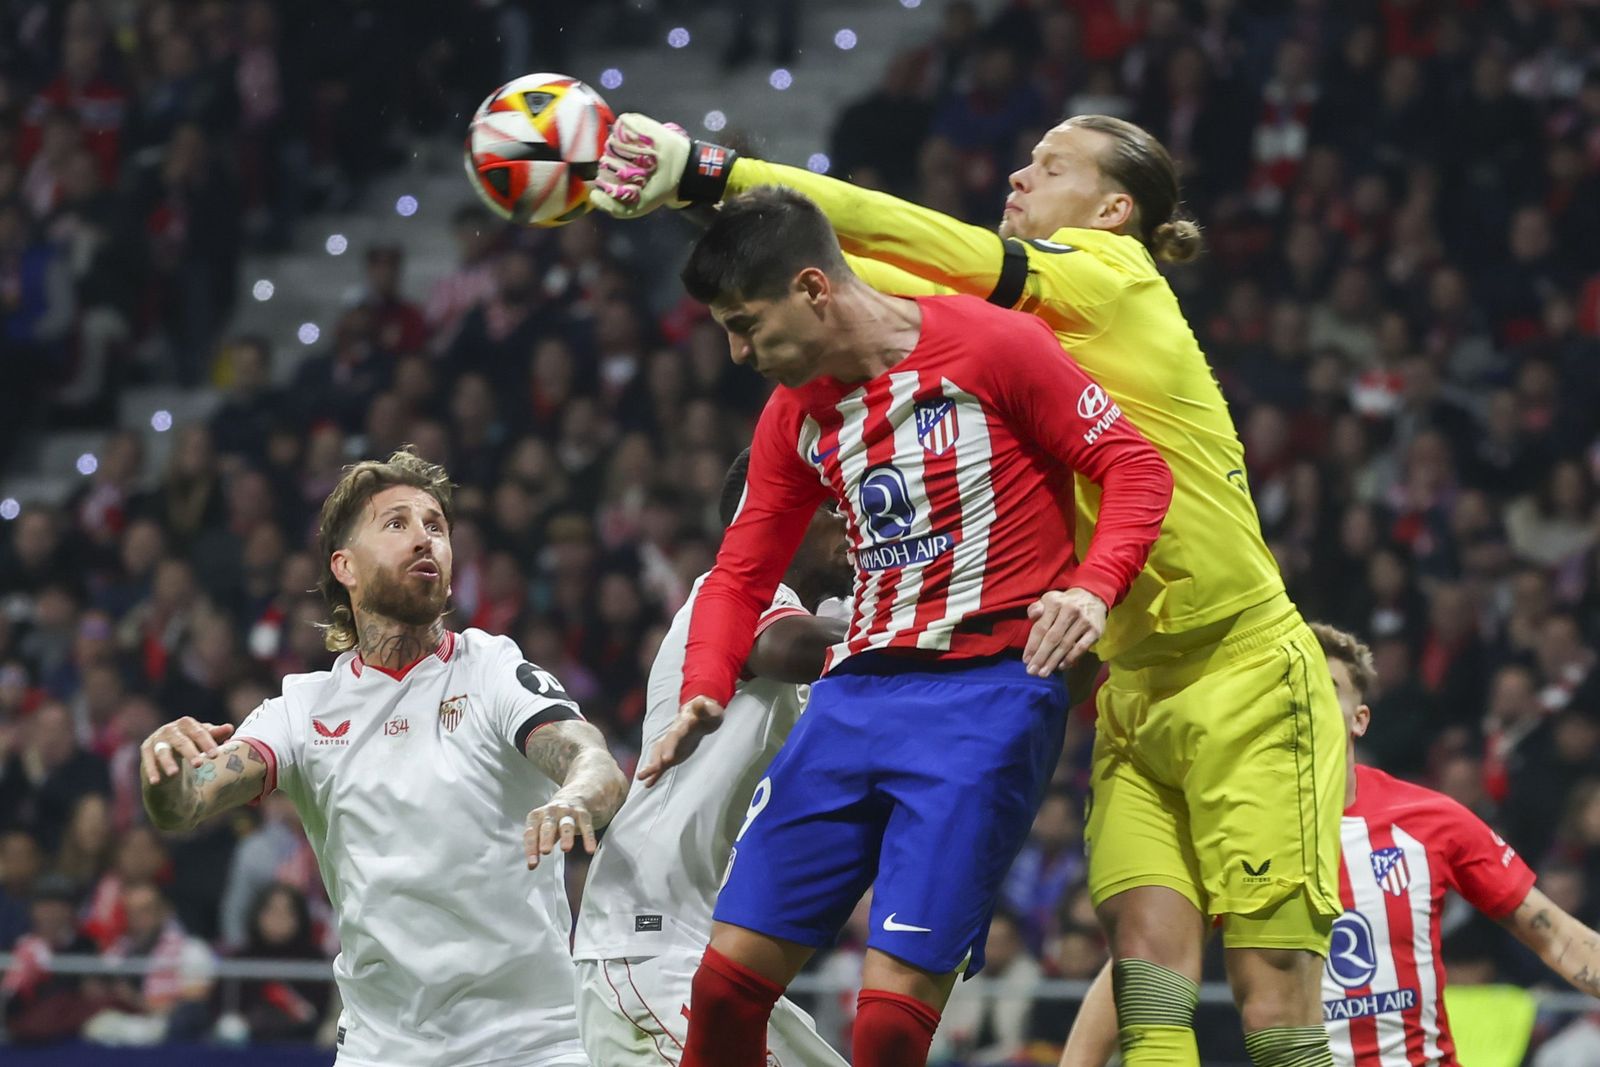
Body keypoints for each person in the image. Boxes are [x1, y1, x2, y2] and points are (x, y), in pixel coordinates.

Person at [592, 111, 1346, 1067]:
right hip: (1128, 683)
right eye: (1025, 160)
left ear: (1115, 209)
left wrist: (708, 170)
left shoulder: (1107, 278)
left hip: (1237, 665)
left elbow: (910, 239)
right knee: (1151, 995)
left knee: (1275, 1002)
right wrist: (707, 216)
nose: (1020, 178)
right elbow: (817, 277)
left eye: (1052, 166)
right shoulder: (991, 328)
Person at [636, 187, 1173, 1067]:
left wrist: (1092, 588)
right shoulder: (796, 413)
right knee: (723, 990)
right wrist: (701, 689)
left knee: (886, 1024)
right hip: (852, 697)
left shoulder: (992, 344)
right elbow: (740, 574)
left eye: (745, 324)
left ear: (814, 288)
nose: (737, 353)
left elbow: (1134, 466)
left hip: (987, 697)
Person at [137, 448, 629, 1067]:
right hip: (385, 1050)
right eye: (396, 523)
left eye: (436, 526)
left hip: (535, 1043)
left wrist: (573, 796)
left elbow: (593, 761)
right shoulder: (302, 710)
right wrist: (162, 766)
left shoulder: (493, 668)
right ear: (344, 565)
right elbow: (183, 805)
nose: (424, 538)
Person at [1059, 622, 1600, 1067]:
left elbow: (1558, 938)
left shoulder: (1431, 818)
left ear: (1359, 719)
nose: (1300, 699)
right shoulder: (1229, 833)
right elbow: (1139, 973)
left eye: (1325, 688)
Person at [573, 448, 854, 1066]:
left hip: (724, 956)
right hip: (652, 944)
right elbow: (787, 645)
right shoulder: (724, 598)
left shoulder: (833, 623)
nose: (851, 516)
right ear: (774, 516)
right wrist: (919, 629)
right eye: (832, 503)